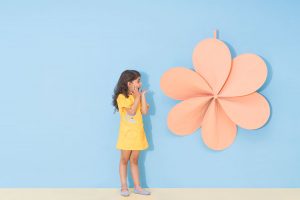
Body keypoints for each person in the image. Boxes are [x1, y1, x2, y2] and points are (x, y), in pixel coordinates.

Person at [112, 70, 151, 197]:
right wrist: (137, 98)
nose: (140, 83)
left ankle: (137, 186)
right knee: (124, 159)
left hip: (138, 134)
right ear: (129, 83)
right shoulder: (122, 97)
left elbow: (144, 111)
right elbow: (131, 112)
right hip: (127, 135)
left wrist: (142, 96)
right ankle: (123, 186)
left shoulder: (138, 96)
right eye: (138, 81)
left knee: (134, 160)